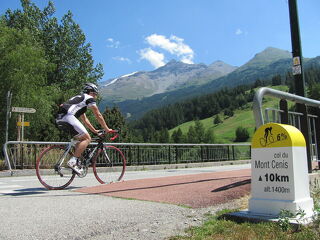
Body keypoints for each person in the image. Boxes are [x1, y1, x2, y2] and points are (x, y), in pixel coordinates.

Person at [56, 82, 112, 174]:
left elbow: (85, 120)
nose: (95, 97)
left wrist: (95, 131)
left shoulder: (80, 102)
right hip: (68, 117)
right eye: (95, 94)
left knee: (81, 140)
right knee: (87, 138)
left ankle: (76, 162)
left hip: (59, 119)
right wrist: (106, 128)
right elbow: (98, 114)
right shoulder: (88, 98)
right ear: (90, 92)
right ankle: (73, 161)